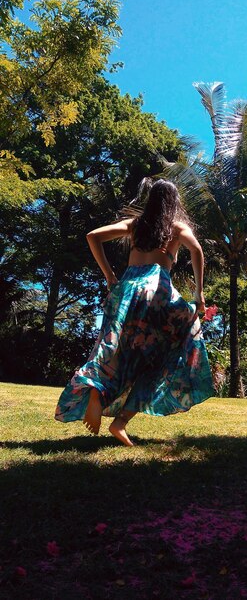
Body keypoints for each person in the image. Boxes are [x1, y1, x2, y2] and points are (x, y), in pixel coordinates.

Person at [54, 178, 215, 446]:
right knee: (170, 351)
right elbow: (196, 249)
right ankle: (121, 422)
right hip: (157, 289)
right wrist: (199, 293)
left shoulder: (135, 225)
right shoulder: (176, 227)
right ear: (174, 203)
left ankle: (96, 389)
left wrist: (109, 276)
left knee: (114, 348)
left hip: (127, 289)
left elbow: (93, 236)